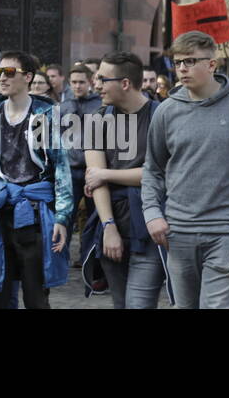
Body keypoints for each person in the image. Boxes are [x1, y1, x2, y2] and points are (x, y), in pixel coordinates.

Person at [141, 31, 229, 309]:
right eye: (178, 62)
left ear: (212, 65)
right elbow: (153, 169)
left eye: (190, 61)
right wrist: (152, 213)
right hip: (178, 232)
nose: (182, 68)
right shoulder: (166, 111)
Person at [0, 50, 71, 309]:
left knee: (35, 296)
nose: (3, 78)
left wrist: (62, 217)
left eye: (10, 72)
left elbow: (61, 168)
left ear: (28, 77)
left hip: (35, 213)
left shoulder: (45, 114)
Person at [82, 51, 168, 309]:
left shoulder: (161, 115)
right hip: (111, 224)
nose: (96, 84)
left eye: (102, 79)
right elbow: (94, 180)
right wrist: (108, 226)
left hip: (150, 226)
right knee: (121, 304)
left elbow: (160, 174)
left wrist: (107, 174)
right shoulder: (97, 119)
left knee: (139, 305)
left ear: (125, 83)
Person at [62, 62, 103, 256]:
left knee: (95, 216)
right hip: (70, 169)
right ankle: (62, 255)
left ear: (90, 82)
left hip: (93, 169)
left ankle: (91, 256)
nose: (77, 86)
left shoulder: (100, 105)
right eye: (73, 82)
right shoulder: (64, 105)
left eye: (81, 82)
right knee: (66, 217)